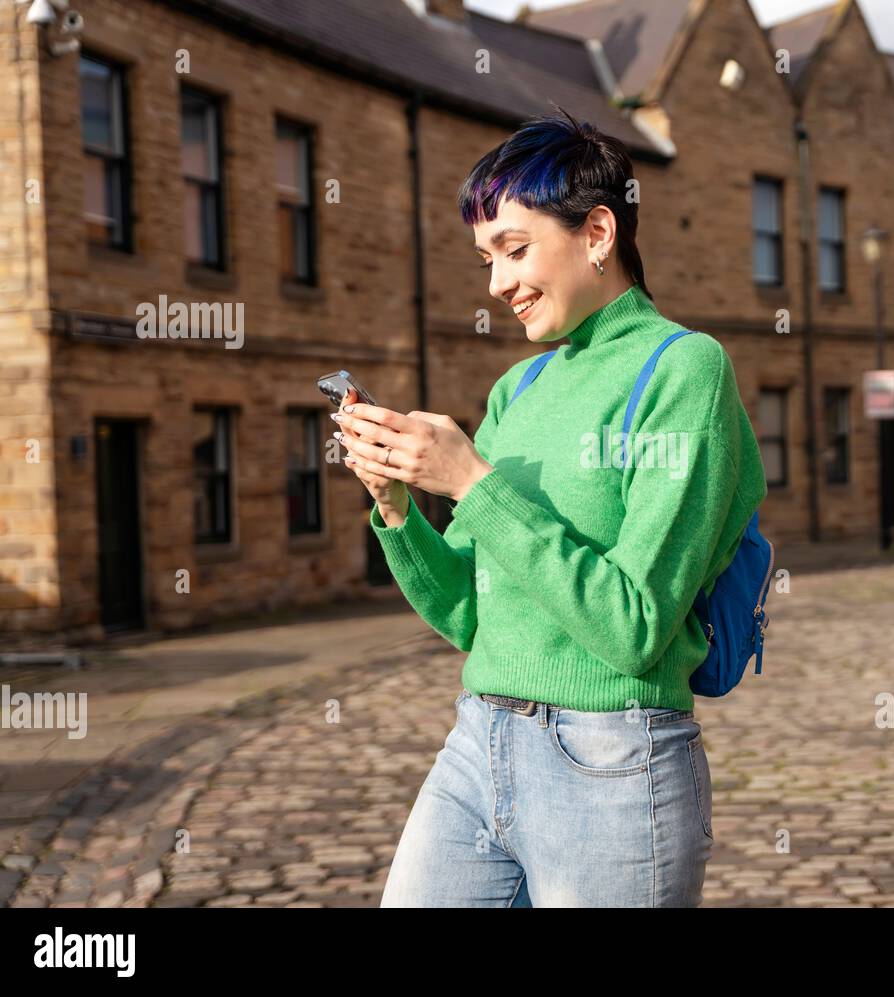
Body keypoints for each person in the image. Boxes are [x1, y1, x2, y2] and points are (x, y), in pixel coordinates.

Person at [332, 106, 767, 907]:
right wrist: (396, 509)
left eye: (515, 248)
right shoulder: (519, 388)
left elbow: (635, 626)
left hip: (613, 761)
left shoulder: (684, 371)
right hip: (479, 741)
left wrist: (471, 480)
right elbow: (469, 612)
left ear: (597, 232)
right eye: (486, 257)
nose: (497, 282)